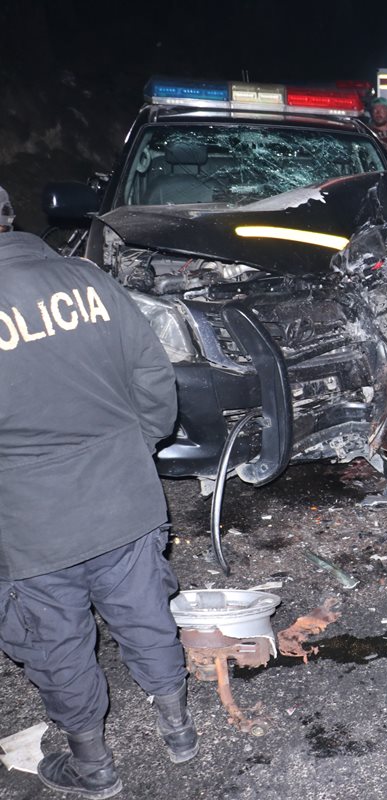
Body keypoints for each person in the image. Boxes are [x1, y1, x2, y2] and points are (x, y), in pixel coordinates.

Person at [0, 185, 195, 798]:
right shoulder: (88, 281)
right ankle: (179, 731)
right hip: (125, 498)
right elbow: (153, 375)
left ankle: (95, 768)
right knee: (144, 614)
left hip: (31, 525)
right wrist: (134, 447)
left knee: (54, 642)